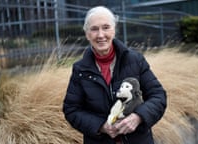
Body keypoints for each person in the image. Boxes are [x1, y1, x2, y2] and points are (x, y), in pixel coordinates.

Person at [63, 6, 167, 144]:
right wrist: (100, 126)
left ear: (114, 29)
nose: (100, 35)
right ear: (87, 34)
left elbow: (158, 96)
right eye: (94, 29)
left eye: (106, 27)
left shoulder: (135, 60)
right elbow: (71, 109)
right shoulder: (80, 70)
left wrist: (138, 117)